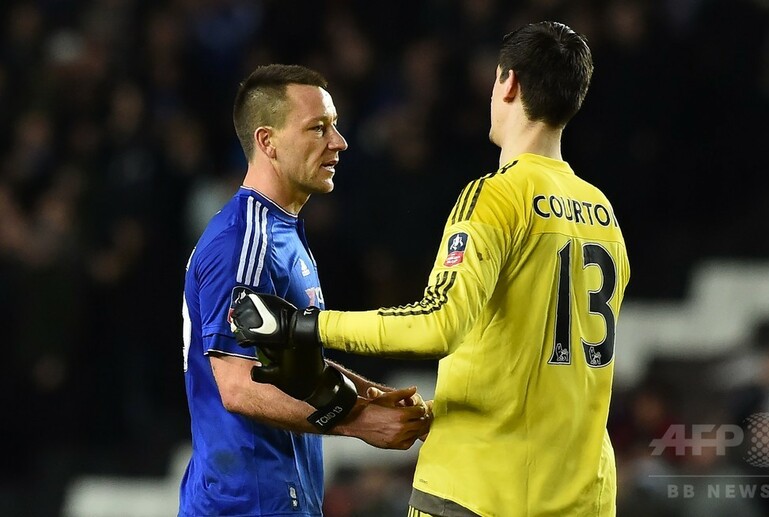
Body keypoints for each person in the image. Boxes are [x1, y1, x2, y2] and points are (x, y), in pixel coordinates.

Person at [231, 21, 631, 517]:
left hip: (479, 488)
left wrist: (304, 326)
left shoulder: (496, 197)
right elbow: (547, 361)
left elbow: (437, 324)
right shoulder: (603, 214)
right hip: (583, 495)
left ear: (507, 83)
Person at [179, 64, 431, 517]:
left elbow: (288, 364)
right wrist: (357, 422)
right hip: (245, 505)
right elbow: (238, 386)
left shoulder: (282, 231)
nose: (339, 142)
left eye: (334, 126)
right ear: (267, 142)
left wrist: (369, 395)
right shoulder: (243, 240)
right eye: (318, 128)